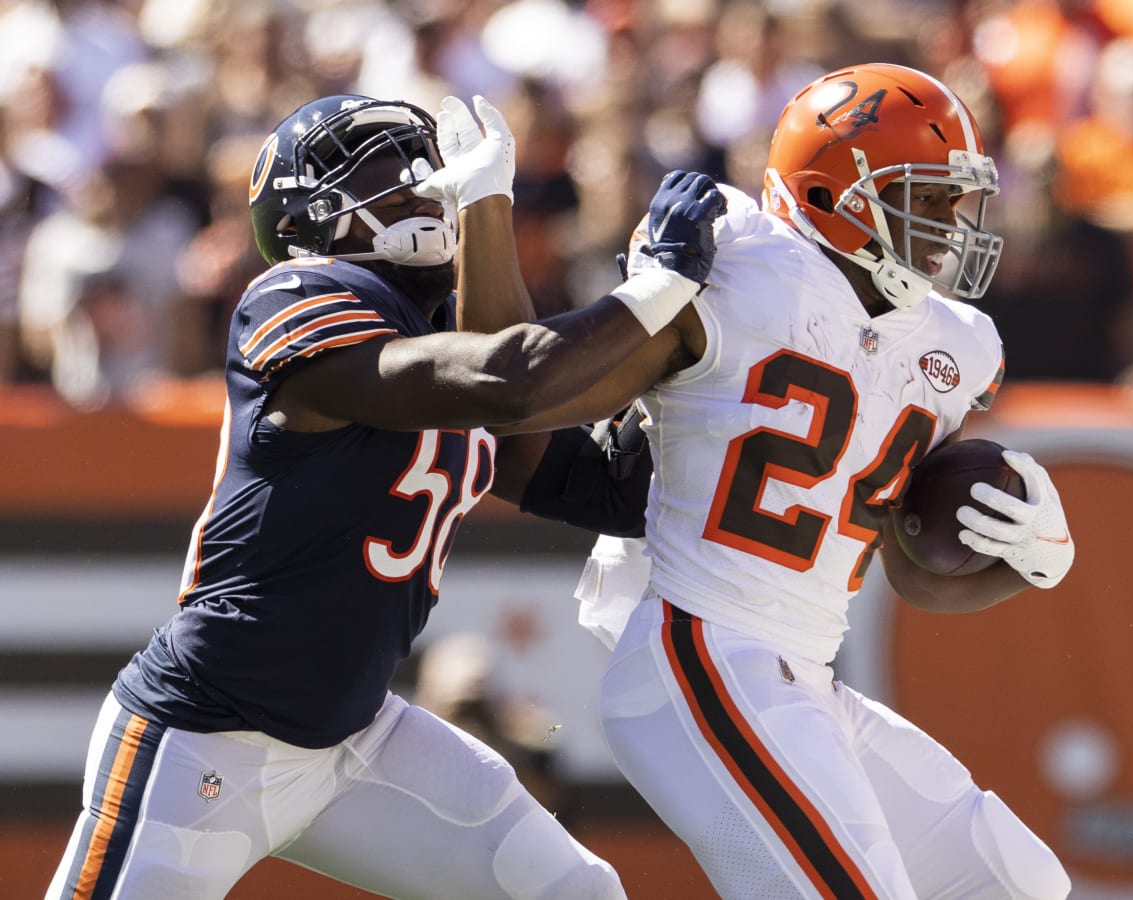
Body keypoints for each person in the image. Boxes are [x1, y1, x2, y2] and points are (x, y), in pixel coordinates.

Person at [45, 91, 725, 899]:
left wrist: (700, 364)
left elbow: (602, 487)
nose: (416, 176)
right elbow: (507, 381)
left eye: (419, 159)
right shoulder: (296, 295)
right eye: (375, 164)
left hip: (357, 735)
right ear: (306, 215)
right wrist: (656, 290)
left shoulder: (441, 328)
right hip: (207, 733)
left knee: (577, 892)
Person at [525, 63, 1078, 897]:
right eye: (921, 198)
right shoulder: (740, 262)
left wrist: (1032, 558)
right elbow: (553, 393)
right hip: (699, 648)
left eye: (953, 200)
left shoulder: (958, 345)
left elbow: (911, 567)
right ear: (832, 195)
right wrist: (657, 283)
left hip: (803, 675)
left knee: (1017, 883)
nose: (948, 224)